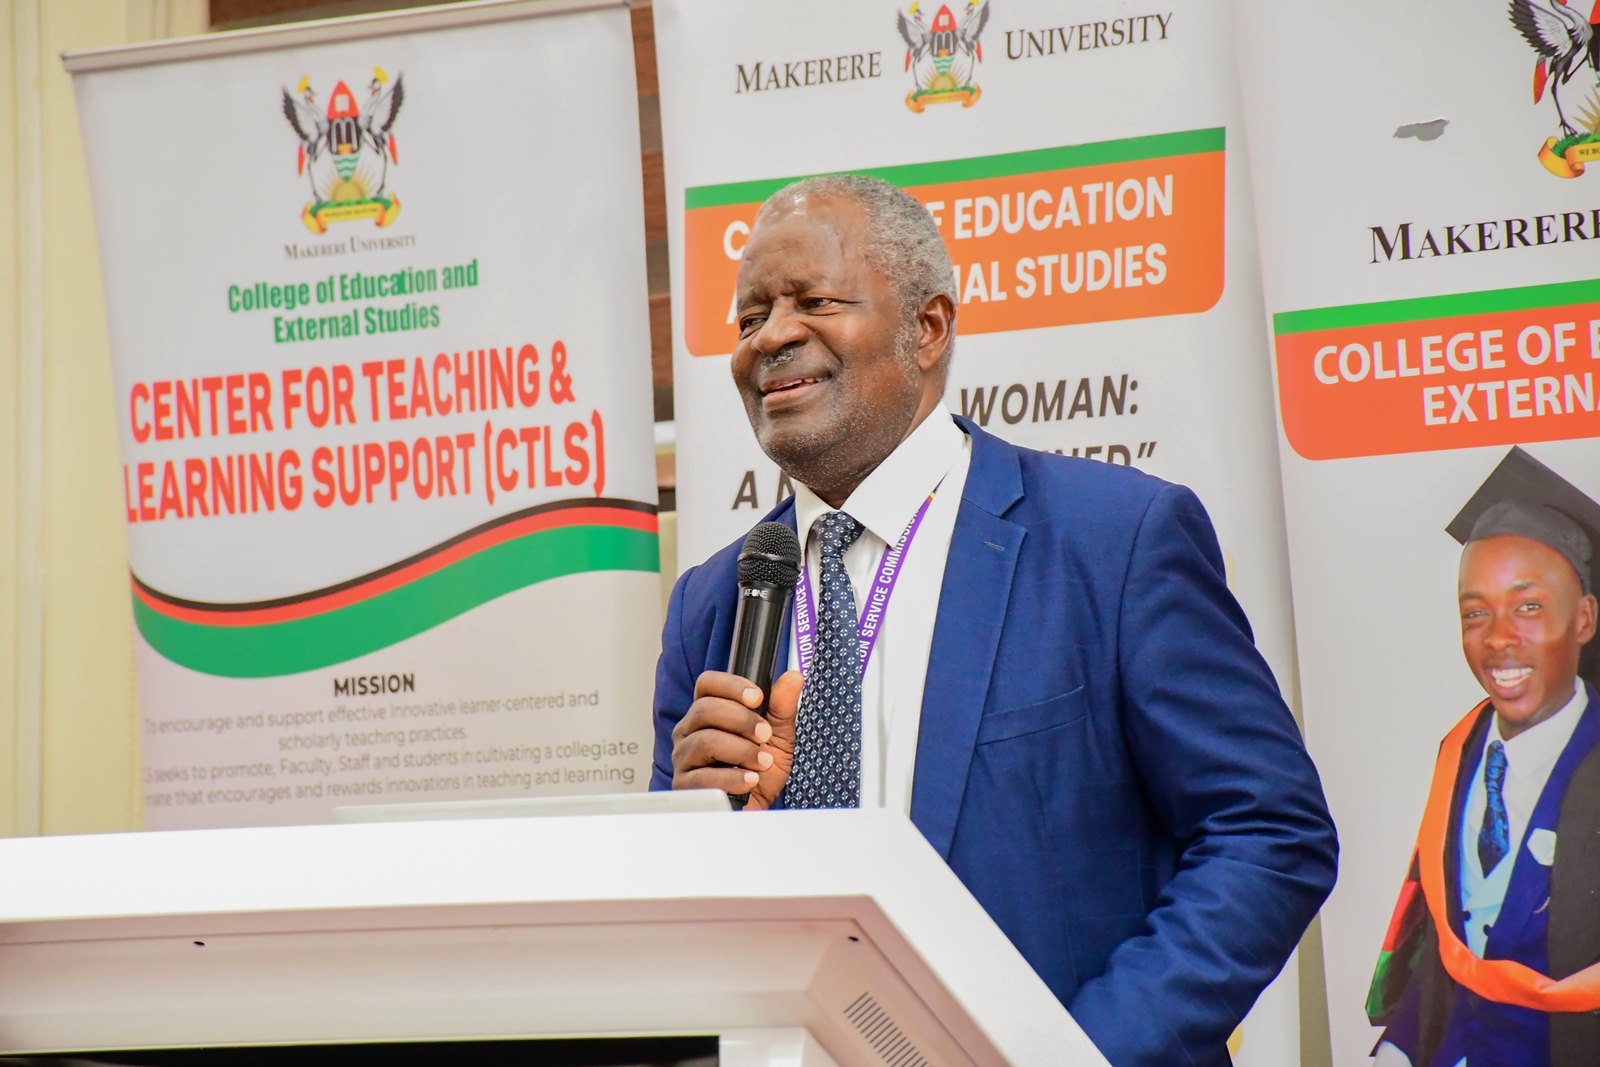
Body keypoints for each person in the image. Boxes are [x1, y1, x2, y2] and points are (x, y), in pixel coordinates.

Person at [650, 174, 1337, 1067]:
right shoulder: (715, 601)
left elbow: (1267, 831)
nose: (772, 337)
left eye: (813, 301)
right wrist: (693, 831)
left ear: (928, 327)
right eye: (749, 320)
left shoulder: (1114, 539)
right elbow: (681, 934)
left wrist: (1074, 1054)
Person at [1369, 459, 1600, 1067]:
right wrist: (1397, 1050)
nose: (1498, 637)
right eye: (1476, 613)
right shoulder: (1461, 749)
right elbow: (1453, 948)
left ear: (1583, 619)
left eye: (1528, 608)